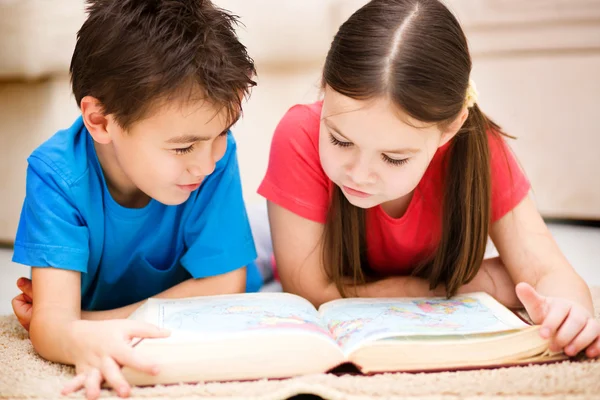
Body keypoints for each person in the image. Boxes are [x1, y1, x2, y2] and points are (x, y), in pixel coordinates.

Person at [258, 0, 600, 361]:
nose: (358, 173)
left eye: (394, 157)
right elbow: (310, 290)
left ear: (448, 129)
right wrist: (486, 283)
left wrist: (571, 315)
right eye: (340, 141)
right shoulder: (299, 134)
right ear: (323, 90)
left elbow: (549, 273)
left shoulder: (477, 146)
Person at [10, 0, 260, 398]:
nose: (207, 164)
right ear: (100, 121)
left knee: (262, 252)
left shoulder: (213, 157)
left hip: (233, 270)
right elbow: (52, 327)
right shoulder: (56, 175)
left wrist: (89, 321)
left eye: (222, 134)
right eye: (183, 148)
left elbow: (227, 283)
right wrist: (63, 327)